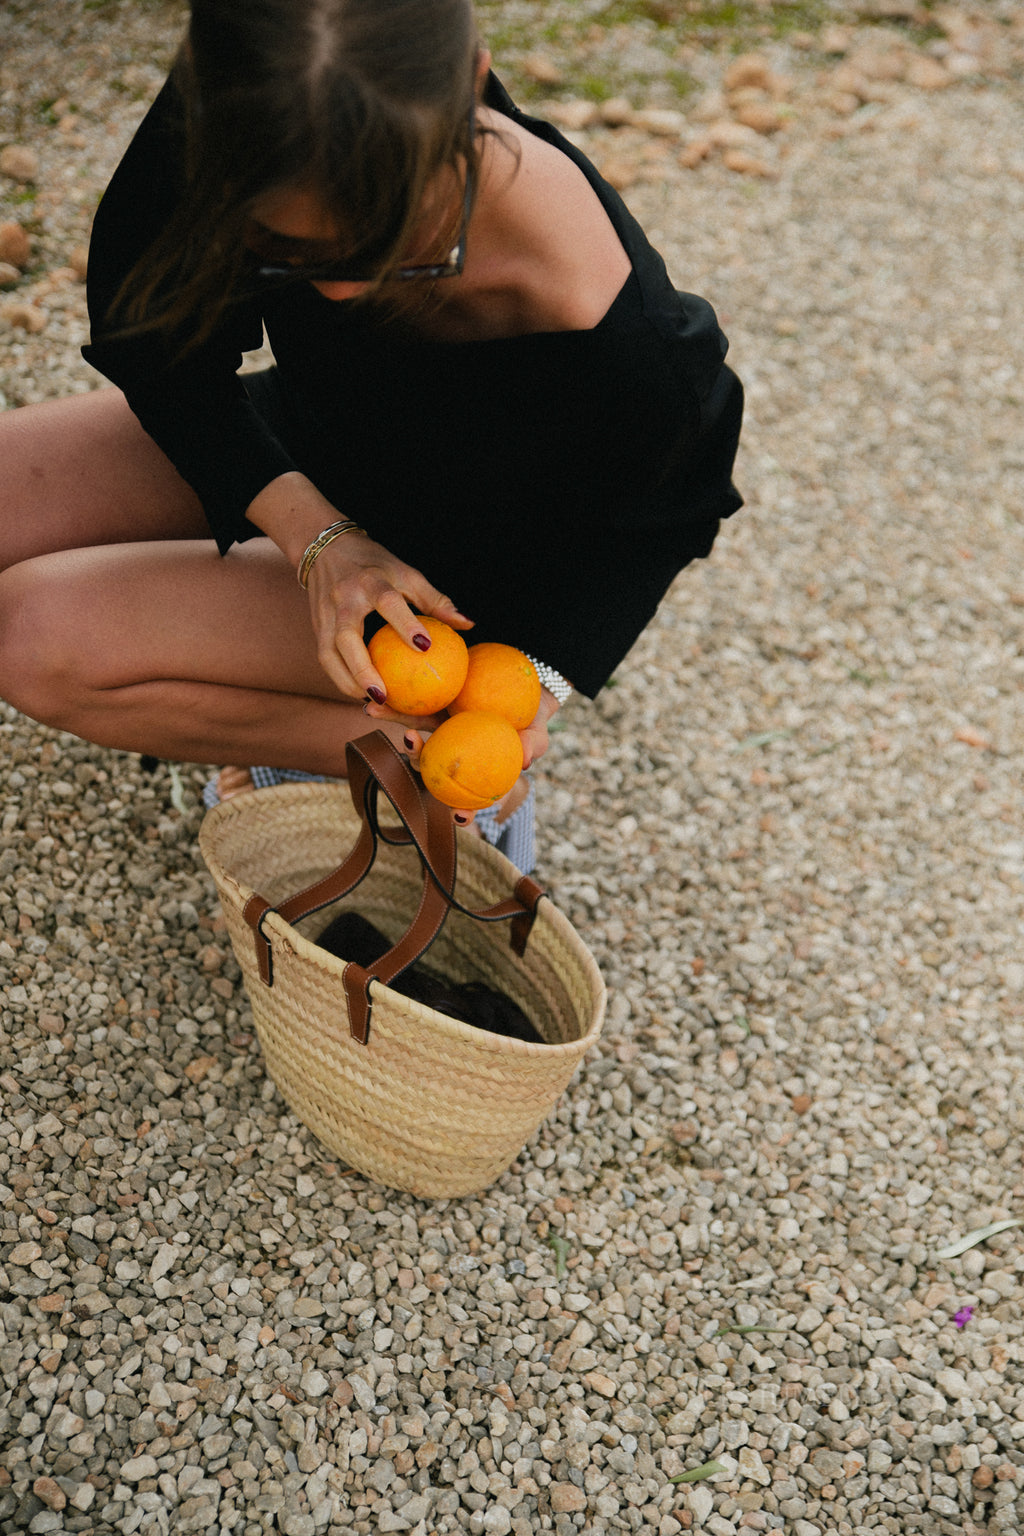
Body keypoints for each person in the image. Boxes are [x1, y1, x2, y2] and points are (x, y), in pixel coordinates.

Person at [0, 0, 743, 875]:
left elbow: (665, 514)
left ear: (470, 88)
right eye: (286, 255)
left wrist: (524, 686)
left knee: (33, 636)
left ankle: (417, 770)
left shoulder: (626, 344)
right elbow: (153, 341)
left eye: (401, 245)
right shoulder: (260, 91)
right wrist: (314, 535)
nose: (344, 294)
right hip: (317, 438)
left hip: (443, 586)